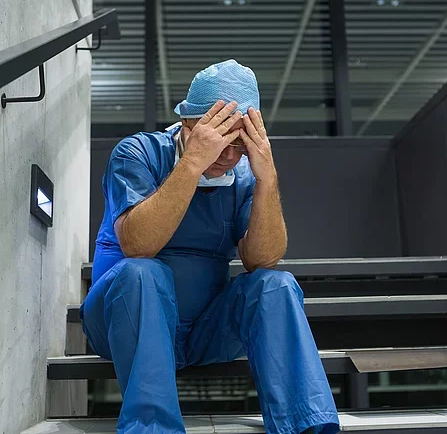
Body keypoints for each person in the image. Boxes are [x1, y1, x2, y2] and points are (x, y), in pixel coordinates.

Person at [80, 59, 340, 434]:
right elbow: (138, 245)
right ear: (189, 124)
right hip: (122, 322)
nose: (230, 156)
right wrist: (191, 164)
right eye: (219, 141)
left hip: (204, 333)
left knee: (275, 283)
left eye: (239, 144)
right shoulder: (136, 153)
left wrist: (266, 178)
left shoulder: (244, 174)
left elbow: (262, 258)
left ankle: (307, 428)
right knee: (142, 272)